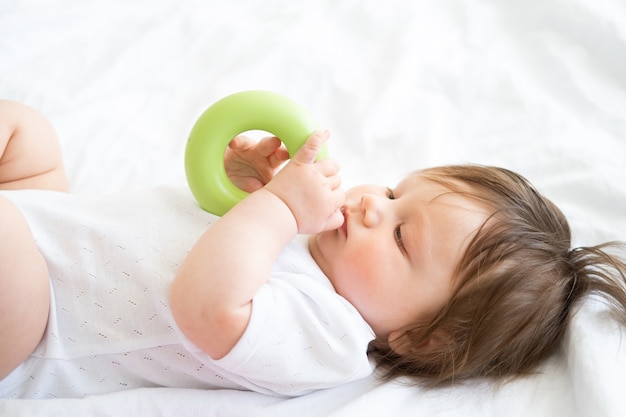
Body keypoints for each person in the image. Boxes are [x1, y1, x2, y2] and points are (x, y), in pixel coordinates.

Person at [1, 100, 625, 399]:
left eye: (402, 236)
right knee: (28, 134)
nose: (373, 205)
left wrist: (274, 210)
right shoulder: (312, 239)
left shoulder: (332, 337)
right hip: (53, 222)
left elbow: (207, 305)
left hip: (40, 322)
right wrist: (247, 184)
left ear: (419, 338)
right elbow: (207, 223)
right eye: (393, 191)